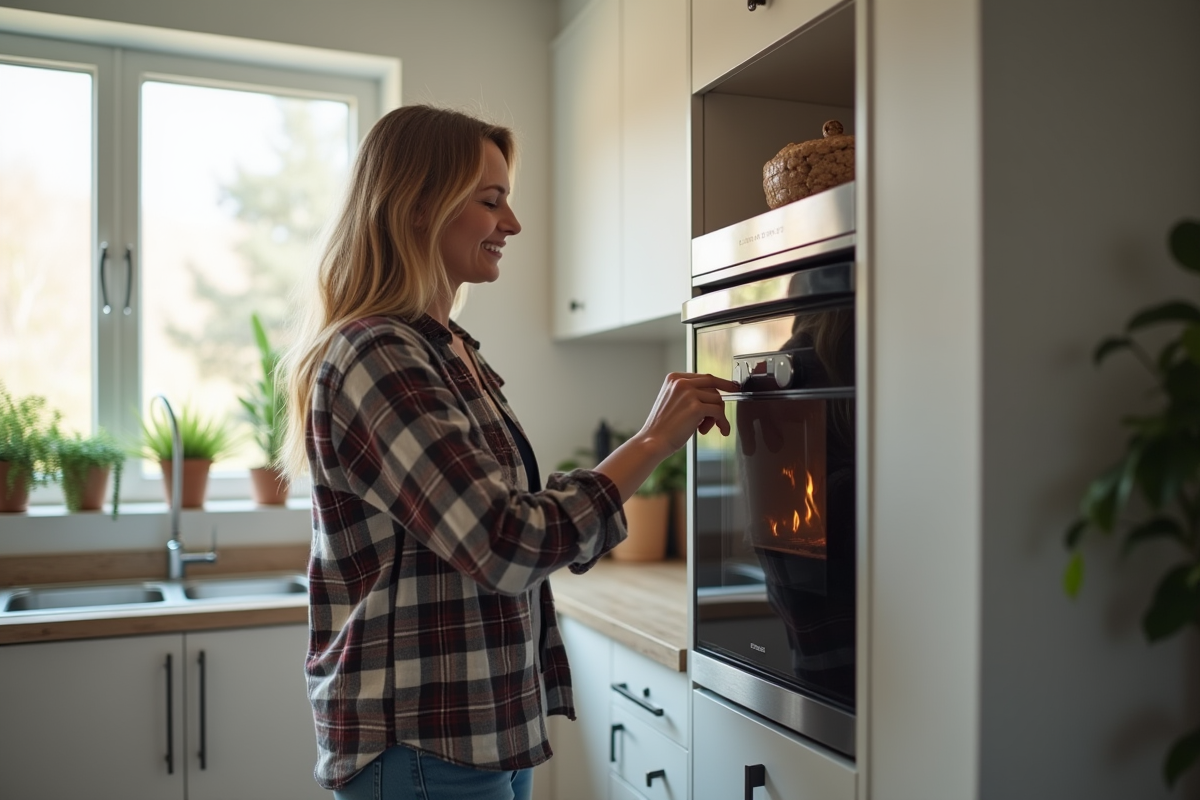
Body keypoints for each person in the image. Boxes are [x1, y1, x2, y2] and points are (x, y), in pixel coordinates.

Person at [279, 104, 738, 800]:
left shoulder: (448, 351)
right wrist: (650, 442)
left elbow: (508, 517)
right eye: (490, 201)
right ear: (416, 208)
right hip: (421, 745)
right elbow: (504, 542)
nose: (513, 224)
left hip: (481, 730)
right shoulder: (377, 353)